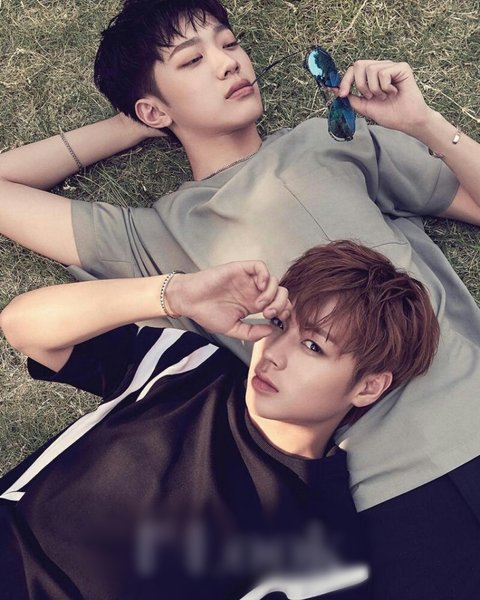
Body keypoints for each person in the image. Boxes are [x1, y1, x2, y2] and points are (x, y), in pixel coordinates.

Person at [0, 0, 479, 596]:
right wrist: (134, 125)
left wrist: (425, 123)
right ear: (153, 106)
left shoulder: (329, 142)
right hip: (388, 500)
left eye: (229, 44)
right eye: (192, 60)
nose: (229, 63)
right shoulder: (153, 236)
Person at [0, 241, 439, 600]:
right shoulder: (189, 365)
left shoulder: (323, 548)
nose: (274, 354)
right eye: (279, 325)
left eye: (312, 346)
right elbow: (22, 326)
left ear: (368, 387)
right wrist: (176, 295)